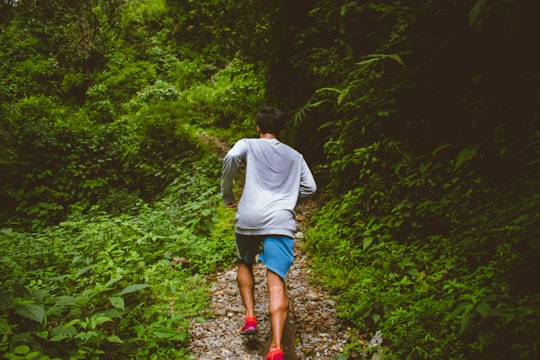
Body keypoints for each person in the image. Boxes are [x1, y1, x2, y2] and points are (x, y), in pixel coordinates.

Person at [221, 107, 317, 360]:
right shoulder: (295, 155)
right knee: (276, 282)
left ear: (257, 127)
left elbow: (230, 158)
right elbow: (311, 187)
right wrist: (288, 199)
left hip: (249, 217)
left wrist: (227, 194)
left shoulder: (247, 144)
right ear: (282, 130)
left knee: (244, 261)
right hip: (281, 220)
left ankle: (250, 317)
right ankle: (276, 347)